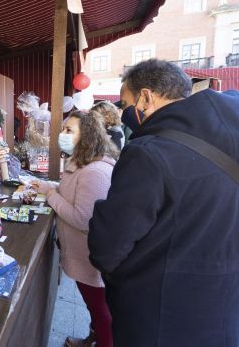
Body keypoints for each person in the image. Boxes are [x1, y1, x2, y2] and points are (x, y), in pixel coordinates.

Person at [88, 59, 239, 346]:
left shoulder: (149, 153)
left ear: (146, 97)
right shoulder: (229, 133)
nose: (123, 114)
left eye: (124, 103)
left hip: (158, 312)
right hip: (223, 308)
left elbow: (107, 248)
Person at [32, 110, 118, 347]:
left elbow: (82, 218)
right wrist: (47, 186)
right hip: (81, 254)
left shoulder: (95, 172)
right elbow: (69, 191)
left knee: (100, 310)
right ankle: (93, 338)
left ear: (87, 136)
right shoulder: (82, 163)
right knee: (94, 307)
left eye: (69, 130)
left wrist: (50, 195)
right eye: (63, 129)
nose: (63, 134)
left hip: (89, 257)